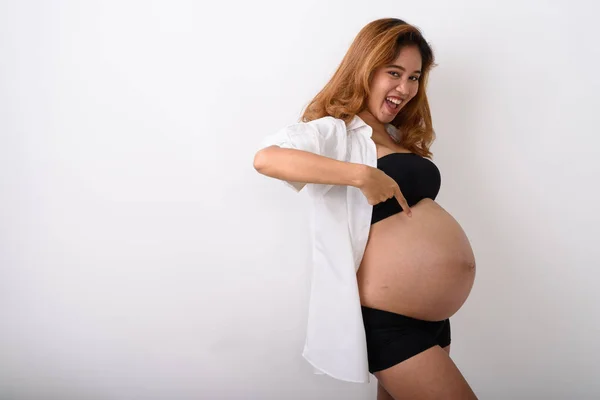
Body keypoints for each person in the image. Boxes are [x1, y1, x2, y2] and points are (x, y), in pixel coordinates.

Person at [253, 18, 478, 399]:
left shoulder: (397, 138)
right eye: (394, 73)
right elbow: (267, 159)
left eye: (414, 77)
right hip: (388, 322)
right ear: (366, 68)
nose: (405, 88)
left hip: (435, 321)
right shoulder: (335, 132)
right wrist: (360, 175)